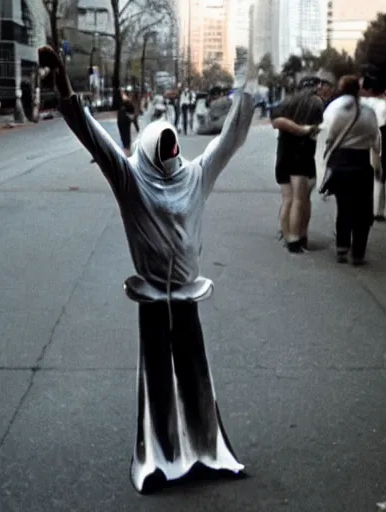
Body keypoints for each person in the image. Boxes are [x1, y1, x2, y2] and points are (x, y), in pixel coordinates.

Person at [38, 44, 257, 494]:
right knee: (158, 376)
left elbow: (230, 139)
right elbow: (87, 130)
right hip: (154, 295)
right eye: (168, 146)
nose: (172, 154)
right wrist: (61, 81)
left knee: (195, 373)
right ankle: (161, 456)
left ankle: (203, 449)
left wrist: (248, 88)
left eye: (173, 146)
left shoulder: (192, 174)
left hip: (186, 292)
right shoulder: (130, 177)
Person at [319, 75, 381, 265]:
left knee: (344, 207)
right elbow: (375, 139)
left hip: (341, 162)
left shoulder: (335, 108)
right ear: (358, 89)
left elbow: (327, 136)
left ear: (341, 88)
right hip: (362, 163)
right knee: (363, 210)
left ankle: (342, 247)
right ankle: (358, 253)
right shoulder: (368, 112)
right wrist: (377, 162)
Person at [271, 76, 323, 253]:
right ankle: (297, 237)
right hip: (302, 155)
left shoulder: (287, 101)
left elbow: (276, 121)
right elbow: (319, 127)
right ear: (316, 87)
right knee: (300, 199)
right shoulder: (316, 103)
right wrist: (304, 130)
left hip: (283, 153)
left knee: (287, 199)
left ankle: (287, 236)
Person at [360, 76, 386, 221]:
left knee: (367, 174)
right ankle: (378, 210)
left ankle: (367, 207)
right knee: (380, 175)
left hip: (364, 140)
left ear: (368, 89)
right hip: (381, 140)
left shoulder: (360, 103)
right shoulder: (385, 104)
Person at [117, 89, 140, 157]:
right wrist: (137, 127)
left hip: (122, 120)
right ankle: (127, 152)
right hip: (124, 120)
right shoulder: (129, 103)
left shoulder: (127, 103)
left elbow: (133, 116)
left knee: (125, 138)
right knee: (126, 138)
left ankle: (127, 151)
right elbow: (133, 117)